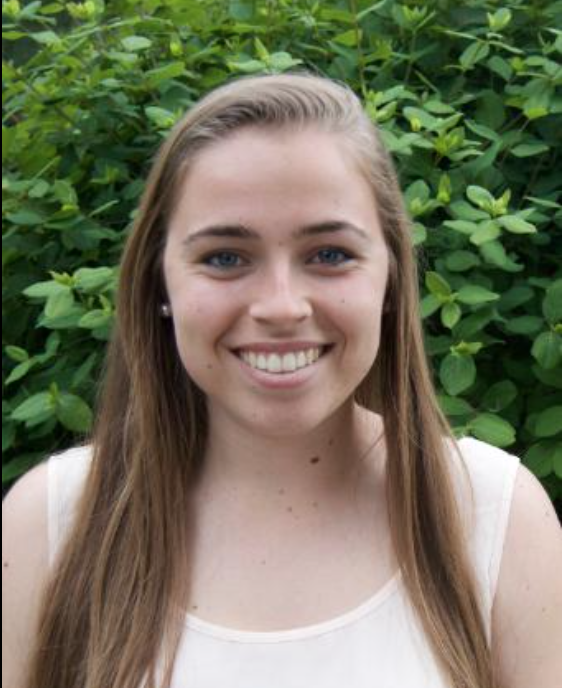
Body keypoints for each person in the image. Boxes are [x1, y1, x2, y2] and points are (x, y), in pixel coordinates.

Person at [2, 71, 561, 688]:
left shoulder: (494, 517)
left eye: (329, 254)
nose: (281, 306)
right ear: (160, 282)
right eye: (224, 258)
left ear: (390, 277)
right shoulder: (50, 524)